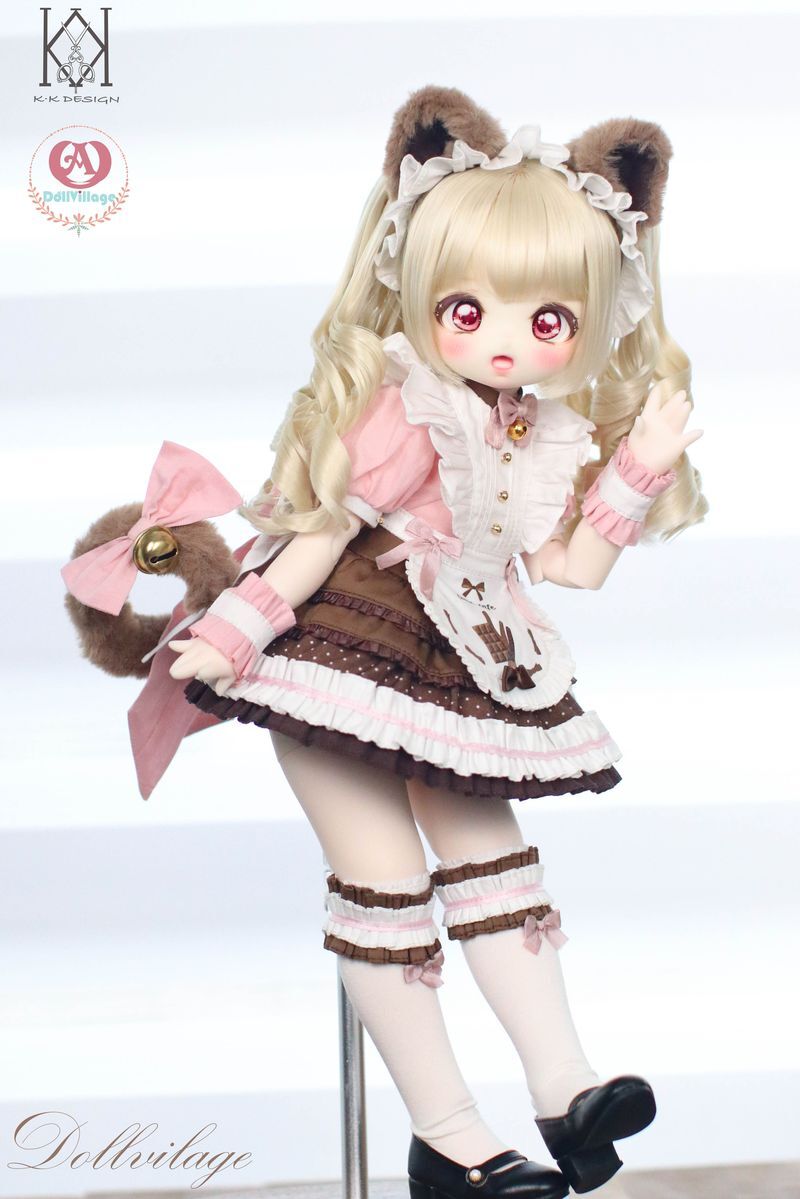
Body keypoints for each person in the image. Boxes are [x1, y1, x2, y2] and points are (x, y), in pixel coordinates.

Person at [164, 86, 706, 1197]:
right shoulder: (404, 400)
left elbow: (568, 567)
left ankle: (566, 1087)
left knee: (496, 860)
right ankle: (449, 1133)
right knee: (387, 880)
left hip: (462, 663)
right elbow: (320, 535)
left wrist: (639, 467)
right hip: (339, 654)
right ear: (418, 290)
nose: (504, 341)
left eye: (546, 321)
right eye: (467, 310)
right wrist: (229, 634)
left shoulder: (539, 430)